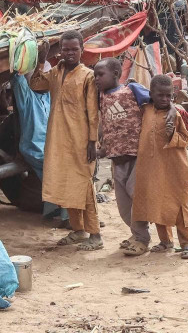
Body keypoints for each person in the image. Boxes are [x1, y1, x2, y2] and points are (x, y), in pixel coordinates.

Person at [94, 58, 174, 257]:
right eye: (95, 75)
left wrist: (171, 108)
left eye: (100, 75)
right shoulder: (100, 95)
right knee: (124, 206)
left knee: (137, 199)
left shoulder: (132, 90)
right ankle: (136, 233)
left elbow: (160, 101)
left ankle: (142, 239)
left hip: (137, 156)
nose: (97, 79)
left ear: (115, 74)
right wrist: (102, 147)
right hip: (116, 158)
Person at [30, 31, 102, 251]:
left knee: (84, 184)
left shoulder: (88, 76)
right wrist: (41, 60)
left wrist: (92, 142)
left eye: (74, 49)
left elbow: (93, 111)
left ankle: (95, 234)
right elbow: (35, 84)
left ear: (82, 49)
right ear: (60, 50)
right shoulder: (55, 72)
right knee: (66, 183)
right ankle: (78, 231)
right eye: (66, 49)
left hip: (81, 139)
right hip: (58, 140)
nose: (70, 53)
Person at [132, 75, 188, 260]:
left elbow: (187, 139)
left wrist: (172, 135)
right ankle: (166, 241)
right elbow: (133, 86)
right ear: (151, 94)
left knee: (178, 204)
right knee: (156, 201)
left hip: (175, 167)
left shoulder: (176, 114)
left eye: (168, 96)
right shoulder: (145, 110)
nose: (165, 99)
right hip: (151, 167)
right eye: (160, 95)